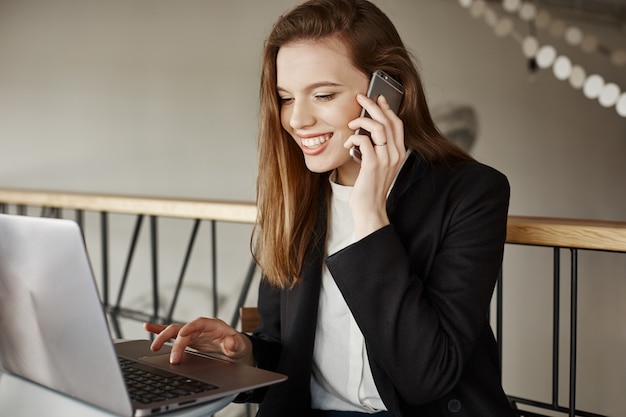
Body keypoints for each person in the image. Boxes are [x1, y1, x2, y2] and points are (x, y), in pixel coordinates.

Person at [145, 0, 516, 416]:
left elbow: (426, 375)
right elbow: (286, 347)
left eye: (322, 94)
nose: (297, 120)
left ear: (386, 93)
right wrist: (243, 354)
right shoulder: (295, 197)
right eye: (285, 98)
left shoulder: (471, 193)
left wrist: (370, 214)